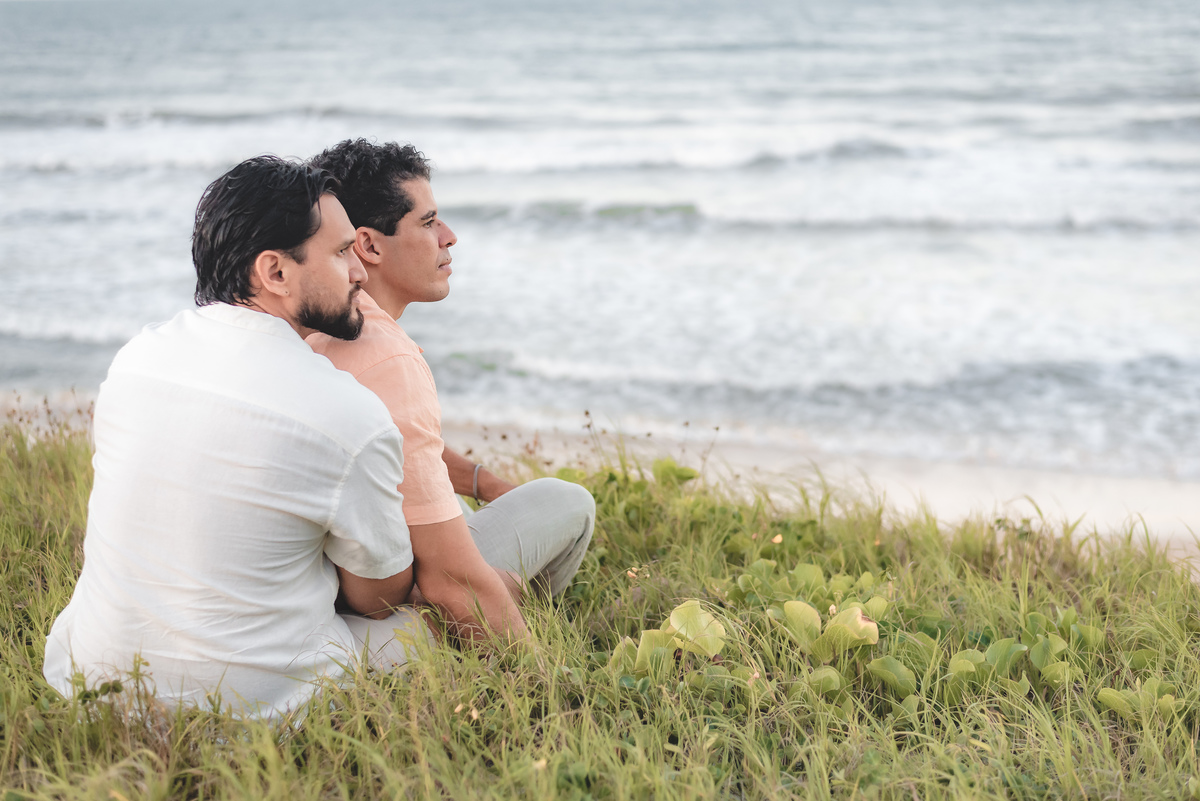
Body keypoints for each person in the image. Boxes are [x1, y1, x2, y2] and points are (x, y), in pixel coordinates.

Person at [43, 156, 427, 718]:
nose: (361, 272)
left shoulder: (137, 359)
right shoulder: (347, 413)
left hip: (94, 685)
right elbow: (378, 598)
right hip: (254, 709)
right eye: (343, 252)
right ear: (275, 273)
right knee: (439, 617)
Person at [307, 139, 595, 643]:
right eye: (428, 222)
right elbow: (449, 576)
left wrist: (486, 483)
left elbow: (399, 441)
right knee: (567, 500)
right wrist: (547, 682)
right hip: (362, 606)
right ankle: (500, 628)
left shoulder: (313, 322)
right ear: (369, 246)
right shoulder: (386, 356)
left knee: (458, 509)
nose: (449, 236)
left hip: (328, 578)